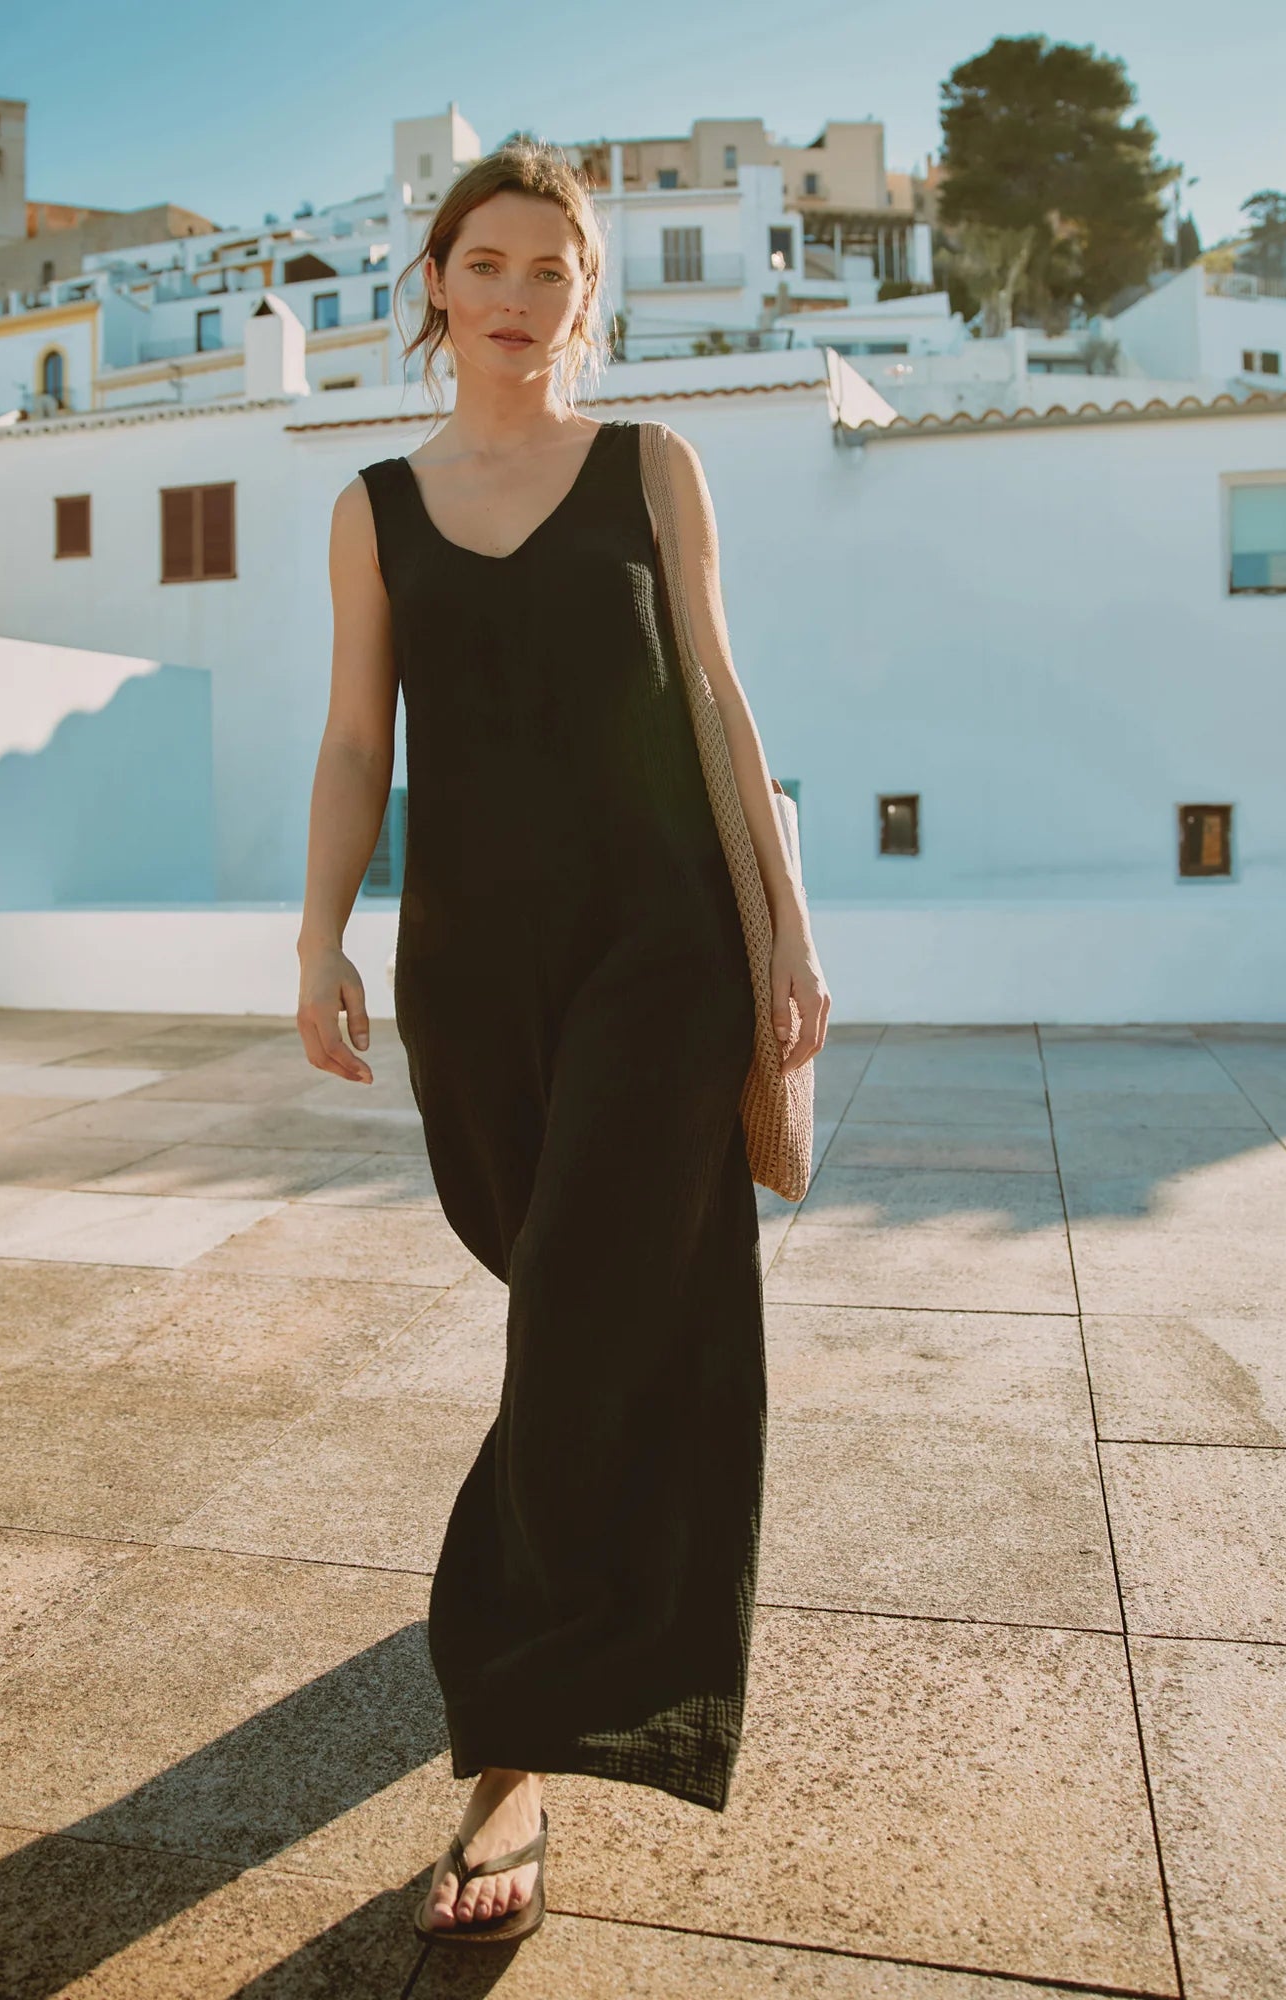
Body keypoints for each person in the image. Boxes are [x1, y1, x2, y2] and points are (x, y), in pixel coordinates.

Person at [294, 137, 829, 1946]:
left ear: (585, 300)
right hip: (472, 966)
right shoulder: (372, 503)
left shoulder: (652, 470)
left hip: (661, 946)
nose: (523, 299)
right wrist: (320, 934)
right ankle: (560, 1576)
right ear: (436, 282)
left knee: (595, 1296)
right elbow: (361, 737)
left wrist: (790, 929)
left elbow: (720, 696)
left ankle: (508, 1746)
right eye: (492, 264)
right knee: (567, 1296)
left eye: (555, 272)